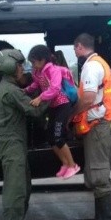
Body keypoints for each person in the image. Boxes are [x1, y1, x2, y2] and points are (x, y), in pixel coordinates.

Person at [0, 48, 50, 220]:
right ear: (10, 67)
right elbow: (34, 109)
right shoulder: (10, 91)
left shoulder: (9, 87)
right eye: (19, 66)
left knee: (24, 189)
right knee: (15, 193)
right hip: (12, 146)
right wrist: (52, 93)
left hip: (15, 144)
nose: (22, 69)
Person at [70, 32, 111, 220]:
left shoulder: (91, 67)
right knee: (97, 174)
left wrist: (71, 114)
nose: (75, 52)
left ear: (80, 47)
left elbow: (89, 98)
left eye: (75, 48)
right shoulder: (98, 63)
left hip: (101, 127)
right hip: (103, 126)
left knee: (99, 176)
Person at [24, 45, 80, 179]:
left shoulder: (53, 70)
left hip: (63, 105)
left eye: (34, 62)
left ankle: (73, 165)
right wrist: (25, 91)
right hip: (53, 107)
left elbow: (54, 89)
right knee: (50, 138)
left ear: (43, 60)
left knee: (58, 137)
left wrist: (40, 98)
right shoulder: (37, 72)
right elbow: (36, 85)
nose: (33, 65)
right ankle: (65, 164)